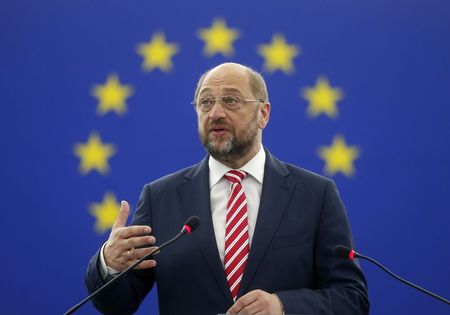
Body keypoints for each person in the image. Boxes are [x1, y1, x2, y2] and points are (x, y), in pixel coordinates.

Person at [86, 62, 369, 314]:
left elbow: (351, 300)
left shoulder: (315, 195)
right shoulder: (161, 198)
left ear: (263, 114)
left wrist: (284, 307)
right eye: (205, 103)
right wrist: (109, 264)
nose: (216, 113)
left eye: (231, 100)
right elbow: (117, 305)